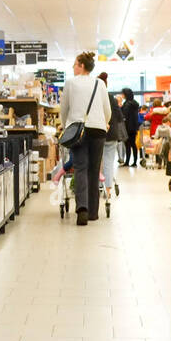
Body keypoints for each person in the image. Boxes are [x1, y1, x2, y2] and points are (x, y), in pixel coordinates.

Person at [60, 51, 111, 226]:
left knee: (80, 168)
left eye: (75, 64)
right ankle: (93, 213)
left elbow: (64, 109)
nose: (73, 67)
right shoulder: (100, 84)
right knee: (94, 169)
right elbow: (107, 110)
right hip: (98, 130)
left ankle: (82, 209)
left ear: (82, 65)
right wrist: (105, 122)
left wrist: (65, 125)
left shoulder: (70, 83)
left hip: (77, 130)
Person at [98, 72, 123, 196]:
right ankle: (108, 189)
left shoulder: (94, 98)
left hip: (97, 133)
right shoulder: (111, 98)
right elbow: (119, 117)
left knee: (97, 161)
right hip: (111, 134)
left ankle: (98, 186)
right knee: (108, 161)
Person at [120, 88, 141, 167]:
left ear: (126, 94)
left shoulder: (127, 104)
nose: (122, 95)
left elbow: (124, 115)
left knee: (127, 145)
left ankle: (127, 162)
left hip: (127, 127)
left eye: (123, 94)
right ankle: (135, 162)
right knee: (133, 144)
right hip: (133, 127)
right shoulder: (134, 104)